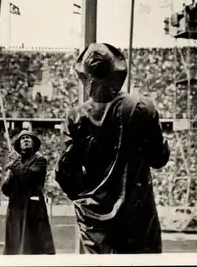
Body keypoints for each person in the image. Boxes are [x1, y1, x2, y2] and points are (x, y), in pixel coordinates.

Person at [55, 43, 170, 254]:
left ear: (86, 77)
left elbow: (65, 173)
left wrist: (88, 198)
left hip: (95, 224)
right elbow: (159, 159)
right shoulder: (142, 107)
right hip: (138, 216)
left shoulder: (75, 117)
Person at [1, 130, 55, 255]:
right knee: (15, 247)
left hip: (32, 209)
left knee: (31, 247)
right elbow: (6, 190)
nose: (25, 139)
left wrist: (15, 164)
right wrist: (10, 173)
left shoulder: (40, 160)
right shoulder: (16, 163)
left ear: (34, 143)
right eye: (22, 138)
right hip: (16, 209)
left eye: (28, 138)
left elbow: (28, 176)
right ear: (19, 144)